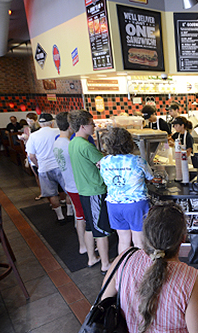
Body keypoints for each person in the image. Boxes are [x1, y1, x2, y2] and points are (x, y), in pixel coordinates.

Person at [100, 203, 198, 333]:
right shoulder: (191, 280)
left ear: (145, 235)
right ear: (183, 238)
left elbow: (104, 306)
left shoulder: (124, 259)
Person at [68, 110, 112, 274]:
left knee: (90, 226)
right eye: (92, 124)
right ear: (82, 126)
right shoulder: (86, 146)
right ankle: (106, 264)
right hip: (95, 190)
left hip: (83, 190)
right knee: (100, 229)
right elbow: (104, 164)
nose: (94, 126)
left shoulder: (73, 142)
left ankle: (92, 257)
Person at [100, 127, 154, 253]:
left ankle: (124, 269)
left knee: (123, 240)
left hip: (114, 204)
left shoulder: (104, 161)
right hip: (136, 204)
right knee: (139, 241)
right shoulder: (137, 160)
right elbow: (150, 177)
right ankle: (140, 271)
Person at [53, 112, 87, 255]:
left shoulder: (57, 143)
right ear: (70, 126)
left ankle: (83, 245)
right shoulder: (70, 145)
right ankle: (85, 245)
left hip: (69, 184)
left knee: (79, 217)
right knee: (84, 218)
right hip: (78, 186)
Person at [25, 113, 68, 224]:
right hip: (61, 166)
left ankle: (60, 217)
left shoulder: (34, 136)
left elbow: (31, 156)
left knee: (51, 193)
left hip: (44, 168)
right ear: (52, 122)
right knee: (68, 190)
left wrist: (39, 165)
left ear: (39, 123)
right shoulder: (58, 132)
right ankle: (70, 212)